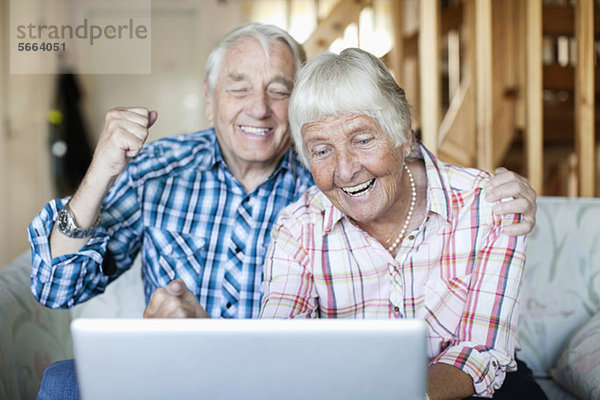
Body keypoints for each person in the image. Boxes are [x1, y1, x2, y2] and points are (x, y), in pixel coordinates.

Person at [29, 23, 536, 399]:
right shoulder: (163, 168)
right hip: (192, 373)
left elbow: (389, 155)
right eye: (239, 87)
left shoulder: (323, 180)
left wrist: (506, 192)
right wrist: (98, 173)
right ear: (209, 100)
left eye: (280, 89)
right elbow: (55, 287)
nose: (259, 108)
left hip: (295, 382)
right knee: (62, 384)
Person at [260, 48, 547, 400]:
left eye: (363, 140)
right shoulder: (298, 228)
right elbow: (281, 346)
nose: (346, 169)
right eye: (322, 150)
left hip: (466, 389)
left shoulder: (490, 204)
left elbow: (481, 352)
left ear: (403, 135)